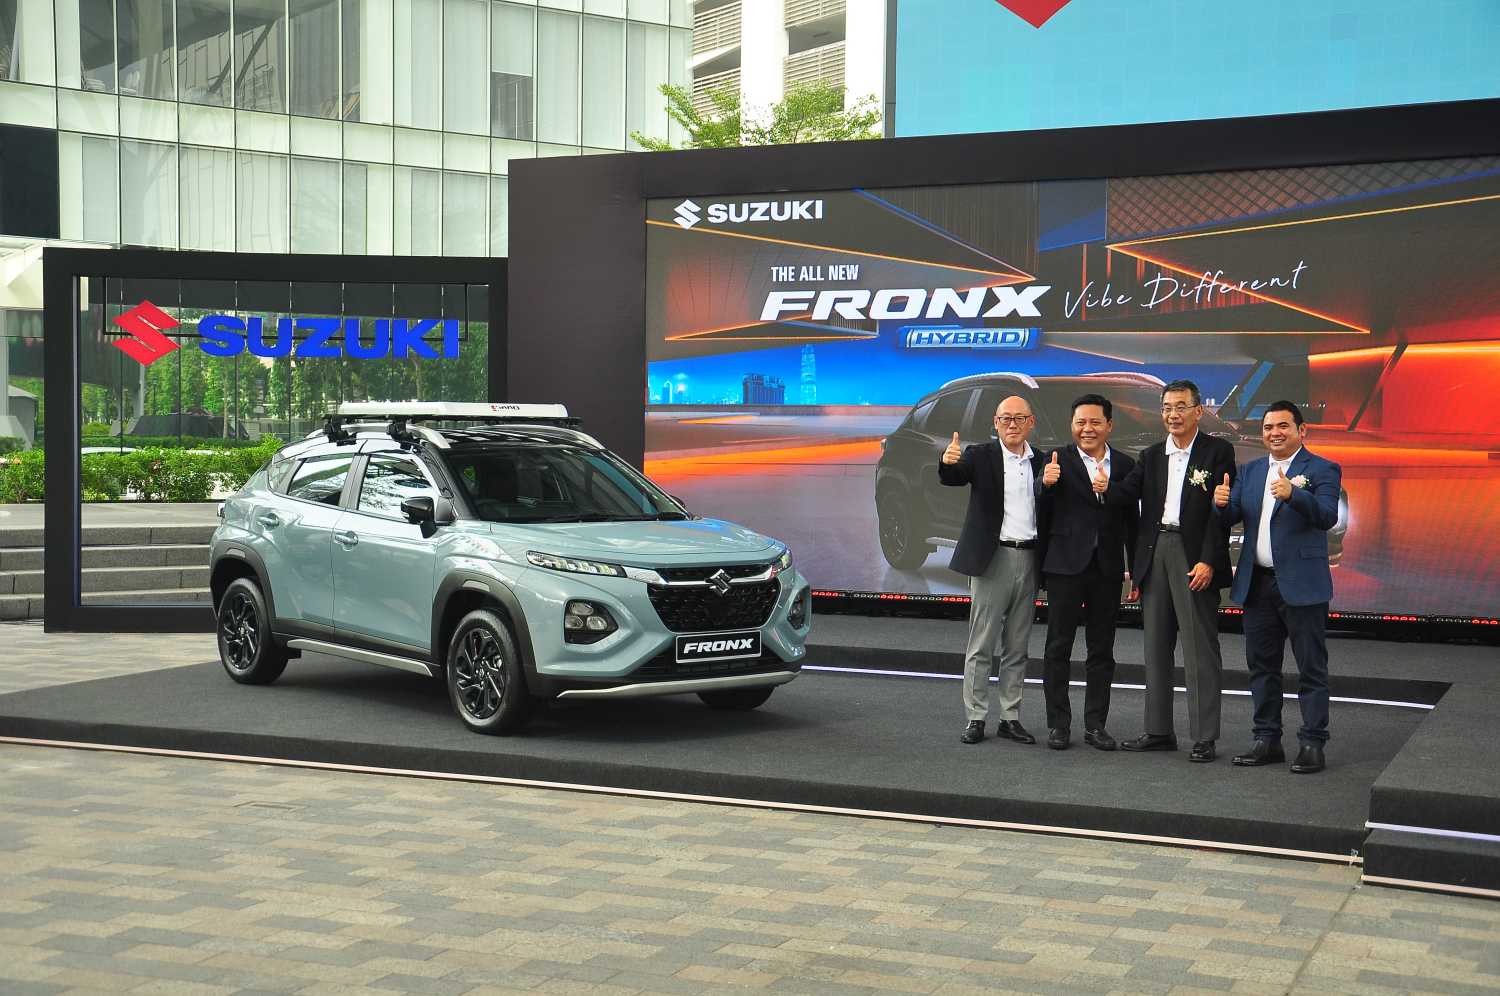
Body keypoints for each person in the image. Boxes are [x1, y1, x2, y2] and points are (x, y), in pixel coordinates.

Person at [1097, 379, 1235, 762]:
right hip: (1156, 551)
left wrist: (1209, 559)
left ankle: (1204, 736)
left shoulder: (1217, 452)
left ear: (1198, 411)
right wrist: (1105, 488)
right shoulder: (1152, 455)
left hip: (1194, 556)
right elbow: (1127, 494)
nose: (1172, 415)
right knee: (1156, 647)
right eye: (1166, 408)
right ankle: (1158, 730)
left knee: (1199, 649)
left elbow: (1220, 514)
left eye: (1180, 407)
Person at [1214, 401, 1342, 774]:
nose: (1274, 433)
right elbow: (1233, 515)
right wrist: (1220, 505)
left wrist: (1293, 494)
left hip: (1303, 586)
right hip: (1258, 585)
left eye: (1283, 426)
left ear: (1301, 431)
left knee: (1311, 668)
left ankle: (1312, 743)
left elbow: (1327, 516)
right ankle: (1266, 740)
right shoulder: (1251, 470)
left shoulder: (1322, 468)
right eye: (1268, 427)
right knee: (1262, 667)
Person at [940, 395, 1049, 745]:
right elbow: (954, 476)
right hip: (992, 559)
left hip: (1030, 558)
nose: (1012, 424)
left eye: (1019, 418)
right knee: (982, 643)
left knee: (1018, 645)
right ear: (995, 423)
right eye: (1006, 418)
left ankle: (1010, 717)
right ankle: (975, 717)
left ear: (1031, 422)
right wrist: (947, 462)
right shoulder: (979, 455)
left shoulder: (1043, 461)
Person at [1036, 394, 1139, 751]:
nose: (1087, 429)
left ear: (1109, 425)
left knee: (1102, 650)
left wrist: (1135, 570)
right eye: (1080, 422)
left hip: (1107, 569)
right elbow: (1040, 507)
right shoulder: (1056, 460)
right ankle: (1058, 725)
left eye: (1095, 422)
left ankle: (1096, 725)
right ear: (1072, 425)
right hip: (1064, 567)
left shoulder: (1125, 465)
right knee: (1058, 647)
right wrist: (1045, 483)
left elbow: (1132, 521)